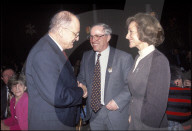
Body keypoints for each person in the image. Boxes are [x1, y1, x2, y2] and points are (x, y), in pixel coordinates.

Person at [25, 11, 87, 130]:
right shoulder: (44, 53)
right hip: (52, 125)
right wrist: (81, 91)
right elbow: (57, 96)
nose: (77, 38)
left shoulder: (53, 50)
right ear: (62, 31)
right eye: (76, 34)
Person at [77, 23, 133, 130]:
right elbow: (81, 77)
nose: (93, 40)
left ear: (108, 37)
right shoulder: (87, 56)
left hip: (116, 114)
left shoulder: (123, 58)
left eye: (98, 36)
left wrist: (118, 101)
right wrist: (82, 86)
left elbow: (131, 85)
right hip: (94, 114)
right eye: (91, 36)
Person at [125, 12, 171, 130]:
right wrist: (132, 115)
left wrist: (141, 122)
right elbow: (136, 95)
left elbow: (156, 106)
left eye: (131, 32)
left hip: (148, 125)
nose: (126, 36)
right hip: (135, 121)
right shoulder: (138, 57)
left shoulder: (159, 61)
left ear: (144, 32)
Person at [166, 65, 191, 130]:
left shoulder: (162, 91)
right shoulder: (187, 93)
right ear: (177, 81)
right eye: (181, 80)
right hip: (182, 123)